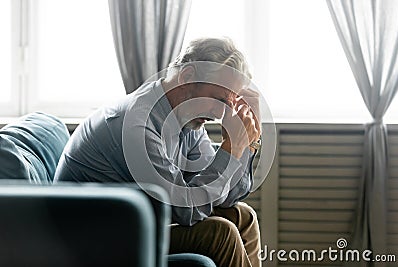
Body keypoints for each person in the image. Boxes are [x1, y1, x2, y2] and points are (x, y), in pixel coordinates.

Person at [54, 37, 262, 267]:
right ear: (188, 77)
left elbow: (223, 197)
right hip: (92, 238)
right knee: (221, 234)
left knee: (244, 217)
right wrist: (231, 149)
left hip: (136, 224)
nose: (220, 113)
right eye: (218, 99)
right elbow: (186, 210)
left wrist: (246, 144)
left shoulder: (188, 120)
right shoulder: (138, 125)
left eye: (229, 103)